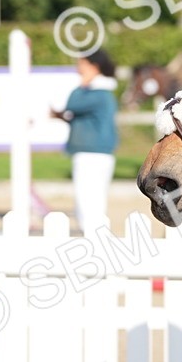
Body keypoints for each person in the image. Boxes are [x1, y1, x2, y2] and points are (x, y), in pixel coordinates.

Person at [51, 49, 119, 235]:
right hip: (99, 153)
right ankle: (95, 235)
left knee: (87, 201)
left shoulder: (96, 92)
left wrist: (83, 83)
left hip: (90, 154)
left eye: (81, 64)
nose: (78, 68)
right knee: (95, 200)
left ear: (93, 67)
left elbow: (72, 103)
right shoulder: (104, 92)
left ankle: (92, 237)